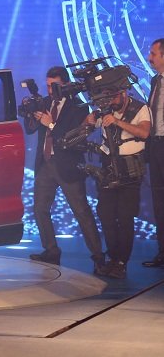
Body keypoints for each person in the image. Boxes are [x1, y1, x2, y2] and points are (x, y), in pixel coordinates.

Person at [24, 66, 104, 271]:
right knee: (40, 209)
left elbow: (73, 137)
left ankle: (98, 257)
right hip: (45, 164)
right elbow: (30, 129)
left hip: (68, 165)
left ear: (66, 84)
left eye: (55, 85)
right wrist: (31, 115)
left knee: (81, 212)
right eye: (48, 85)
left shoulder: (79, 107)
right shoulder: (44, 102)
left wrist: (50, 124)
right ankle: (51, 251)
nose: (50, 90)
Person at [85, 88, 150, 278]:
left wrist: (117, 121)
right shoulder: (105, 109)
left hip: (130, 170)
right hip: (108, 167)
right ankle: (113, 257)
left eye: (113, 96)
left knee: (125, 217)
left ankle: (122, 262)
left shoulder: (140, 108)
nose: (111, 101)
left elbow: (144, 132)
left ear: (123, 93)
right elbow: (88, 124)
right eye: (108, 97)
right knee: (105, 214)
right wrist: (90, 118)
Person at [144, 38, 164, 268]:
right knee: (159, 201)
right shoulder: (155, 81)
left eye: (153, 54)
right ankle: (162, 251)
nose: (149, 58)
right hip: (157, 146)